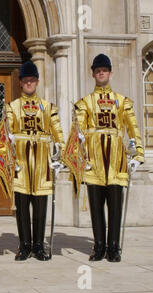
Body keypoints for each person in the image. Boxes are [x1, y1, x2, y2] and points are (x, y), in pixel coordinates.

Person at [74, 54, 144, 262]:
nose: (101, 73)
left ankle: (114, 247)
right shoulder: (85, 103)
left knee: (115, 206)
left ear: (110, 73)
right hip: (93, 161)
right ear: (93, 74)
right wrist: (78, 142)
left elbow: (133, 128)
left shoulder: (122, 102)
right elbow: (77, 131)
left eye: (104, 70)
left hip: (116, 161)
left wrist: (138, 154)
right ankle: (99, 246)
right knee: (96, 208)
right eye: (97, 70)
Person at [4, 61, 65, 261]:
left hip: (42, 163)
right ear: (20, 83)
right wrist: (8, 139)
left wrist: (61, 156)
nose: (29, 83)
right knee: (21, 207)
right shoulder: (12, 107)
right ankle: (24, 245)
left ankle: (38, 245)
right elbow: (6, 132)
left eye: (32, 80)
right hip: (21, 162)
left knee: (40, 205)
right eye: (25, 80)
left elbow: (58, 133)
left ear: (37, 82)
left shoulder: (48, 108)